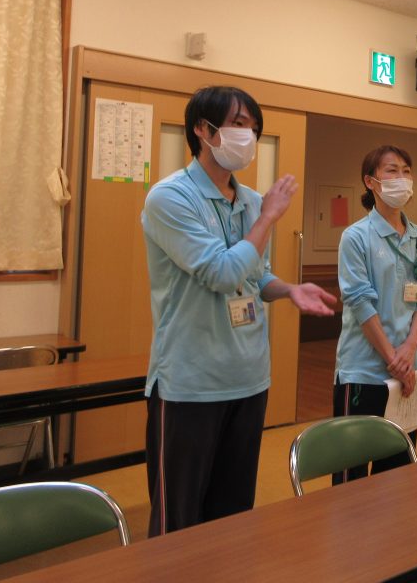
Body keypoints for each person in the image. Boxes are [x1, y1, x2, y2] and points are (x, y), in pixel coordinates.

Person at [141, 85, 336, 536]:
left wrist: (288, 289)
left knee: (232, 518)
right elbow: (222, 273)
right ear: (202, 129)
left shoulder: (249, 200)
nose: (247, 136)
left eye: (253, 128)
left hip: (248, 378)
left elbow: (254, 276)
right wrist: (269, 218)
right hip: (190, 383)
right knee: (178, 525)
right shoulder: (170, 198)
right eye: (237, 124)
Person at [334, 144, 417, 482]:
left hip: (408, 372)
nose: (401, 178)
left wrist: (410, 349)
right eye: (392, 170)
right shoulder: (356, 237)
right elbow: (360, 301)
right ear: (371, 181)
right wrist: (394, 358)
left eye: (406, 171)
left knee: (397, 476)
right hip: (364, 372)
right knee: (351, 477)